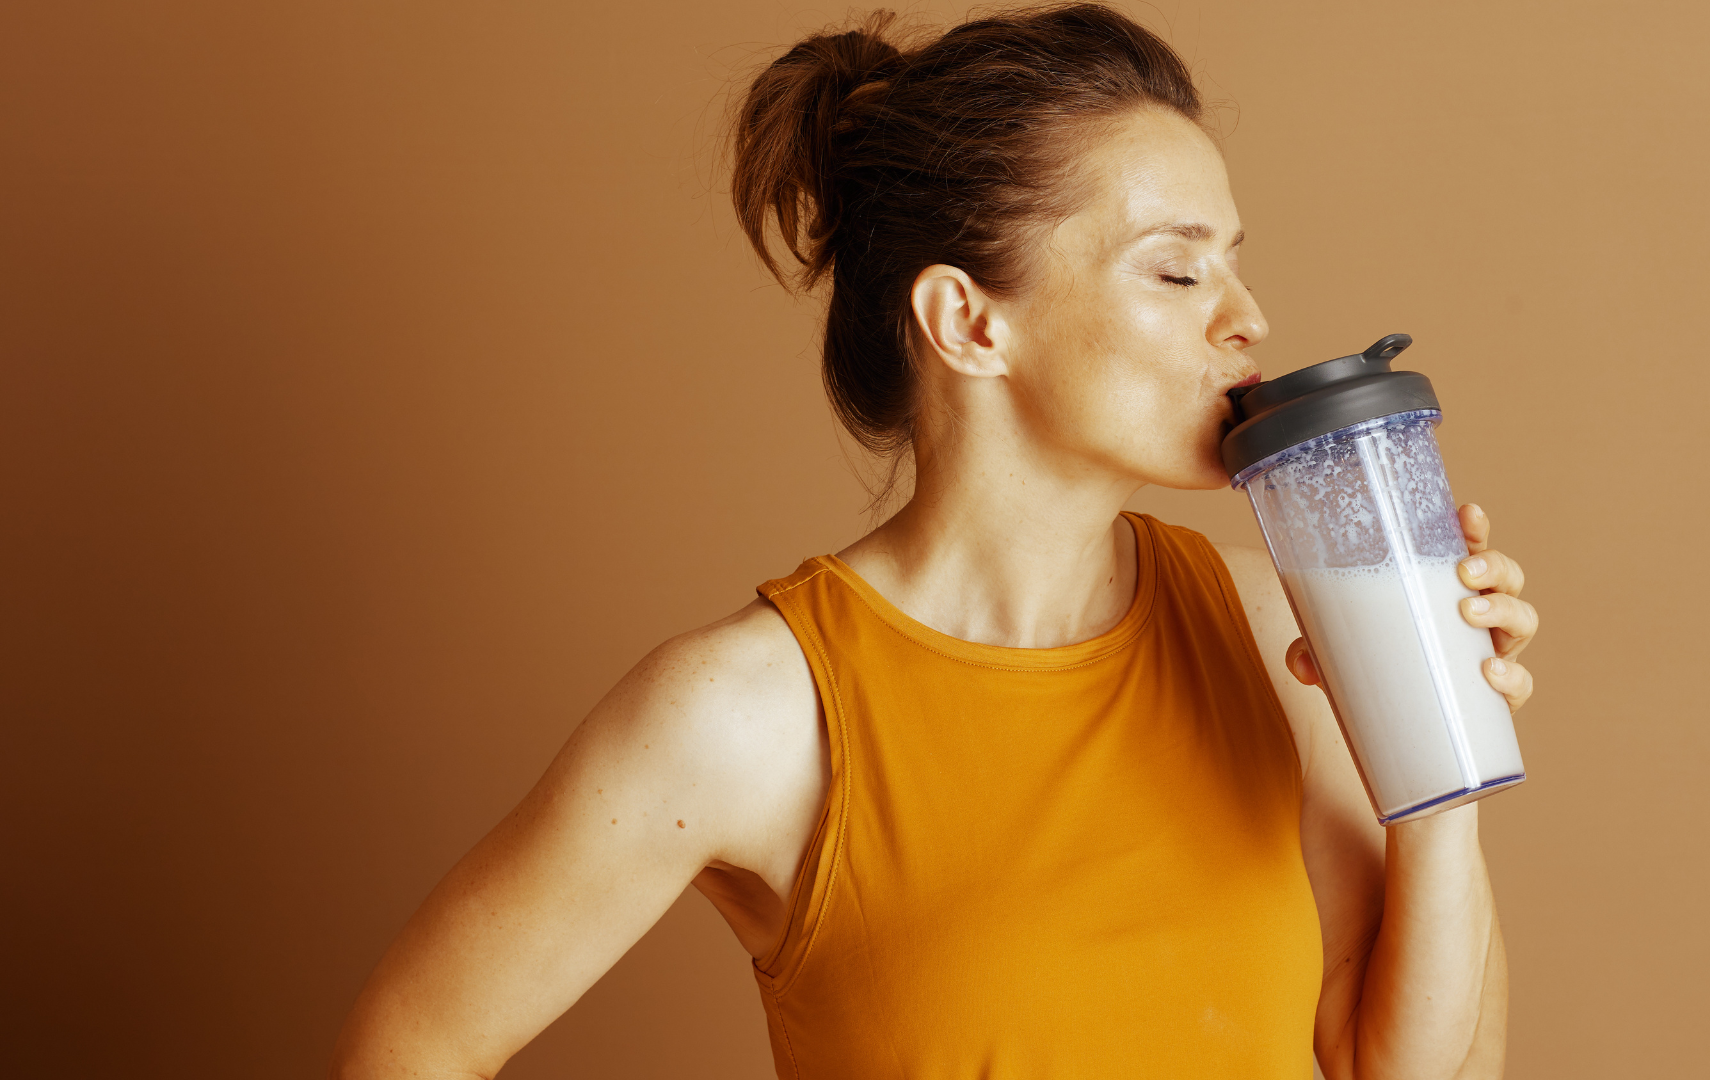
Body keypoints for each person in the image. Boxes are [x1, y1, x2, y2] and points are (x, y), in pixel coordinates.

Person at [331, 5, 1539, 1078]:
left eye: (1234, 261)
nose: (1248, 319)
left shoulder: (1270, 624)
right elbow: (416, 1041)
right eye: (1175, 270)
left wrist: (1433, 749)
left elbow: (1407, 1069)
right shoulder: (751, 712)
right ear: (967, 320)